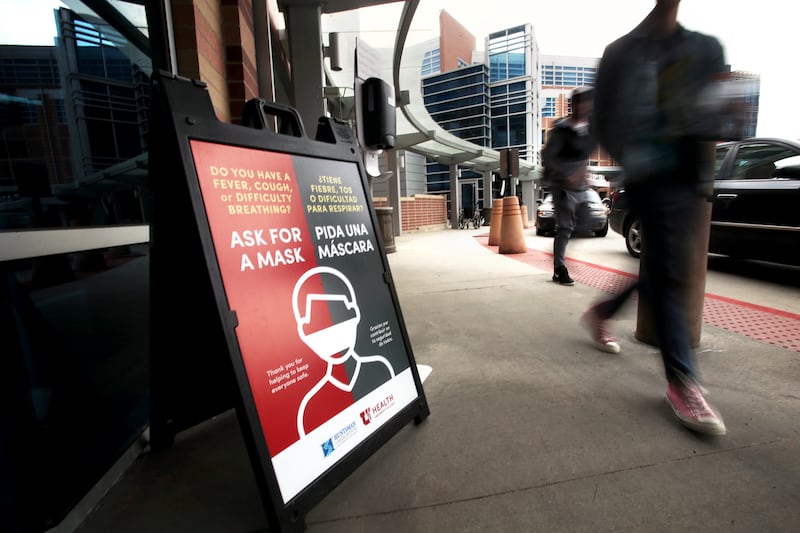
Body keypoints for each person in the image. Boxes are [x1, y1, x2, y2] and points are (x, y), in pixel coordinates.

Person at [583, 0, 727, 436]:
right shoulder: (620, 53)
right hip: (648, 177)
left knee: (662, 271)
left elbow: (717, 114)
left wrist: (704, 176)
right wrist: (633, 157)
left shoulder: (705, 49)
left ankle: (603, 311)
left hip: (687, 181)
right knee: (668, 273)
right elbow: (603, 123)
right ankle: (682, 380)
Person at [541, 86, 596, 286]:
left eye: (587, 102)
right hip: (562, 184)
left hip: (580, 185)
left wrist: (584, 174)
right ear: (573, 104)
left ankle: (558, 250)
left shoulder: (589, 129)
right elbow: (548, 156)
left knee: (586, 223)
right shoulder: (562, 128)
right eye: (580, 102)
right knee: (565, 227)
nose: (584, 106)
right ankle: (559, 269)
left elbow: (584, 156)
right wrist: (566, 175)